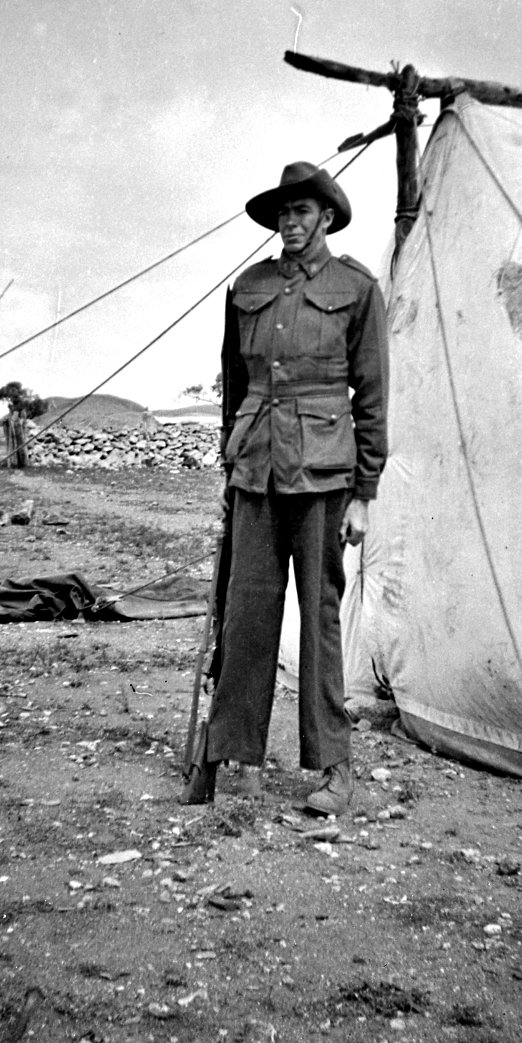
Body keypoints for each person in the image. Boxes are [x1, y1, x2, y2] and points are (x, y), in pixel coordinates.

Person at [184, 161, 388, 815]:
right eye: (283, 213)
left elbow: (372, 396)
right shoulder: (249, 286)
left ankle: (335, 767)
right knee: (245, 615)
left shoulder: (356, 288)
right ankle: (233, 756)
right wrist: (229, 467)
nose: (290, 223)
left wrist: (364, 493)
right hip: (254, 470)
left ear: (326, 217)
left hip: (324, 475)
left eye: (301, 212)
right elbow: (235, 387)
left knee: (320, 621)